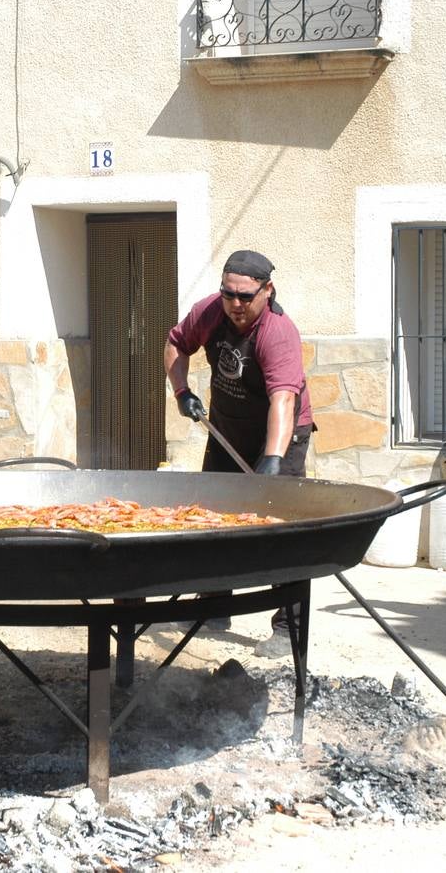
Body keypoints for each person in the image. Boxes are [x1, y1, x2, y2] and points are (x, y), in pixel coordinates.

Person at [164, 249, 314, 657]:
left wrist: (273, 459)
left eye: (245, 296)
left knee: (282, 530)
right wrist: (182, 392)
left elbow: (284, 398)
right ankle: (212, 608)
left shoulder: (277, 333)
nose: (235, 304)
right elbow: (176, 343)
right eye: (228, 293)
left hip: (282, 434)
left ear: (268, 291)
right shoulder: (210, 311)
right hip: (227, 426)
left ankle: (288, 628)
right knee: (214, 517)